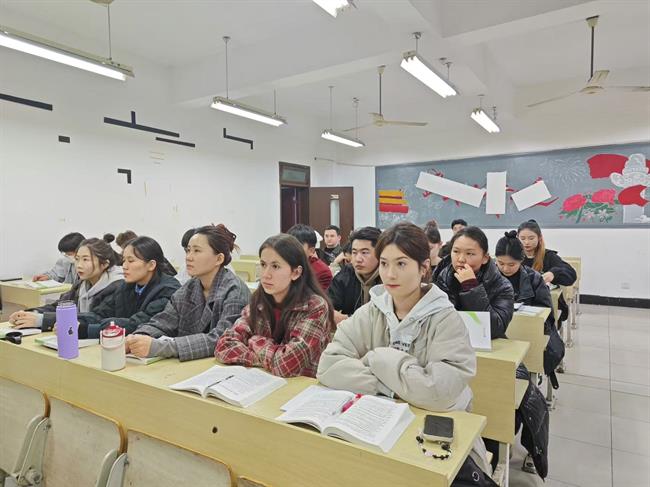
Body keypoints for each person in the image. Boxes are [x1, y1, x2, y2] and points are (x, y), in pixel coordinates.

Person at [317, 222, 495, 486]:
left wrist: (378, 359)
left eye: (401, 264)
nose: (390, 274)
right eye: (384, 263)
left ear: (423, 267)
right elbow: (329, 367)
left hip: (433, 440)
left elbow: (441, 392)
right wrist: (396, 388)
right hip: (375, 426)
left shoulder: (446, 319)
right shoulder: (370, 312)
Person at [126, 225, 250, 362]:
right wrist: (137, 337)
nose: (188, 257)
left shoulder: (235, 290)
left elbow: (221, 340)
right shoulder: (189, 288)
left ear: (219, 259)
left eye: (197, 251)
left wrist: (162, 347)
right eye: (188, 250)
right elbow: (163, 321)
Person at [215, 234, 333, 378]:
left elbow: (285, 365)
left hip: (302, 385)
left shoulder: (314, 306)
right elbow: (223, 346)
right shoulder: (259, 301)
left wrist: (254, 340)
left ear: (296, 273)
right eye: (263, 265)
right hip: (263, 380)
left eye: (275, 266)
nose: (265, 275)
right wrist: (268, 359)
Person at [495, 231, 565, 389]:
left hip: (525, 332)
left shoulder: (534, 278)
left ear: (521, 260)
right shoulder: (489, 276)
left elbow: (546, 312)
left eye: (511, 264)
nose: (505, 268)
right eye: (500, 263)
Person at [75, 236, 181, 339]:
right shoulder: (126, 286)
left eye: (131, 261)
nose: (124, 266)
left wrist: (85, 330)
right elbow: (101, 314)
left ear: (151, 265)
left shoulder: (168, 290)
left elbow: (139, 324)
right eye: (124, 260)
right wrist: (72, 320)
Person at [12, 237, 123, 331]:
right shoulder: (82, 284)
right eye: (77, 259)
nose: (79, 265)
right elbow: (61, 305)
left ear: (104, 264)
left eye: (85, 260)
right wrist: (29, 313)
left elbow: (96, 318)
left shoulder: (117, 285)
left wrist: (42, 320)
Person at [433, 226, 514, 339]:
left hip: (488, 345)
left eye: (470, 254)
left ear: (485, 258)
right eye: (456, 251)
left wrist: (471, 287)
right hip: (450, 342)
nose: (461, 259)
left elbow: (496, 329)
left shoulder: (502, 286)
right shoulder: (443, 278)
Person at [517, 219, 577, 325]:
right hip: (521, 304)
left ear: (539, 238)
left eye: (531, 238)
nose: (526, 242)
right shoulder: (514, 257)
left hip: (546, 306)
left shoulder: (548, 256)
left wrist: (553, 273)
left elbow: (571, 275)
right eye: (522, 238)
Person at [328, 226, 382, 325]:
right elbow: (328, 307)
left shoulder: (388, 277)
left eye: (364, 252)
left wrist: (348, 319)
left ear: (380, 253)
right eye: (354, 252)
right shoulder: (346, 274)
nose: (358, 259)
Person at [287, 224, 332, 291]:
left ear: (311, 250)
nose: (292, 248)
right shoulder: (283, 264)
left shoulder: (322, 271)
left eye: (298, 245)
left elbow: (316, 296)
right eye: (289, 244)